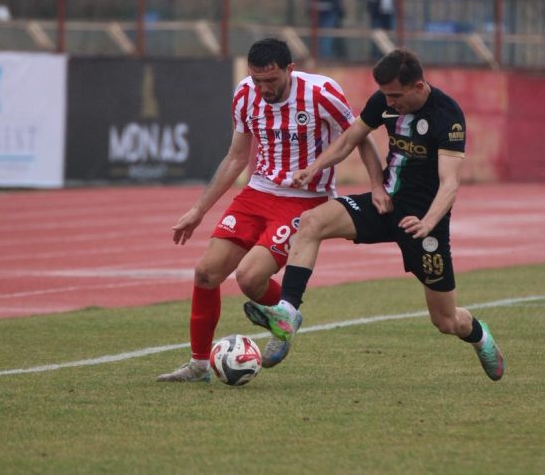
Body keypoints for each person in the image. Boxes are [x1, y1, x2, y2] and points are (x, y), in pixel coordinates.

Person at [244, 49, 505, 381]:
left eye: (396, 96)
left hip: (422, 225)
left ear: (418, 86)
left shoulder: (447, 115)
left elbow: (450, 183)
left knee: (446, 320)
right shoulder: (384, 99)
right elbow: (349, 140)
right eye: (385, 95)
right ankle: (288, 312)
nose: (389, 102)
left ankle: (480, 336)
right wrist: (315, 168)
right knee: (311, 222)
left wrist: (428, 222)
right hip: (384, 206)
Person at [157, 37, 385, 383]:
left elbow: (360, 137)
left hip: (305, 198)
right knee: (206, 273)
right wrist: (198, 210)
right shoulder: (244, 94)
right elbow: (236, 157)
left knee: (250, 279)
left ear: (290, 69)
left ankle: (287, 314)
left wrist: (377, 186)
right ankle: (199, 366)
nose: (264, 88)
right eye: (257, 79)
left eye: (271, 80)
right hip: (257, 192)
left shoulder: (321, 92)